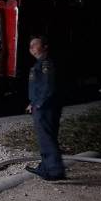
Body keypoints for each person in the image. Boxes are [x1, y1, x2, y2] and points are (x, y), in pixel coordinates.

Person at [25, 35, 66, 180]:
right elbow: (40, 87)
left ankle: (54, 171)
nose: (31, 48)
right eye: (30, 45)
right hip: (43, 105)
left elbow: (48, 86)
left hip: (46, 107)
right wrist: (33, 102)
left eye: (35, 44)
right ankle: (45, 168)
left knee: (46, 138)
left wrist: (38, 104)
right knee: (47, 138)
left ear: (45, 47)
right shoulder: (39, 64)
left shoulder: (45, 64)